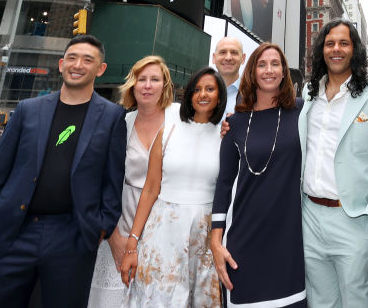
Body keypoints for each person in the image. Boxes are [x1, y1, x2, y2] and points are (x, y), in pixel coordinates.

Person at [0, 34, 126, 308]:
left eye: (87, 60)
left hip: (72, 237)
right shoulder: (27, 110)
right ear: (61, 64)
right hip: (12, 232)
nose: (77, 65)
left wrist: (100, 227)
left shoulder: (113, 116)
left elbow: (112, 181)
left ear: (100, 69)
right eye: (72, 58)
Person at [300, 19, 368, 308]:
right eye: (330, 43)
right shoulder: (308, 94)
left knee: (358, 302)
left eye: (344, 43)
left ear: (355, 50)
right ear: (321, 50)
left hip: (355, 219)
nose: (336, 49)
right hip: (310, 218)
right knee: (320, 303)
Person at [211, 43, 306, 308]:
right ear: (252, 71)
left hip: (289, 243)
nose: (269, 70)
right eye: (262, 65)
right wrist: (216, 242)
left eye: (275, 64)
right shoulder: (235, 123)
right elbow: (224, 184)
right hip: (243, 242)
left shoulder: (302, 112)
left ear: (284, 71)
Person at [122, 67, 226, 306]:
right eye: (196, 89)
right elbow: (150, 189)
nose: (202, 94)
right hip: (162, 231)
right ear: (189, 95)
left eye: (210, 89)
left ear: (219, 97)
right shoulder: (168, 130)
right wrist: (132, 242)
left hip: (205, 235)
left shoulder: (226, 136)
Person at [88, 55, 175, 307]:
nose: (147, 85)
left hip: (166, 225)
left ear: (165, 85)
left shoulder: (180, 120)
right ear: (132, 85)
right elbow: (100, 179)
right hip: (122, 221)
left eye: (154, 79)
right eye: (141, 79)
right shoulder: (119, 122)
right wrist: (113, 235)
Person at [213, 37, 245, 115]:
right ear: (214, 58)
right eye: (223, 52)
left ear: (243, 58)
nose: (228, 58)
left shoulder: (253, 96)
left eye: (234, 52)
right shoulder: (199, 93)